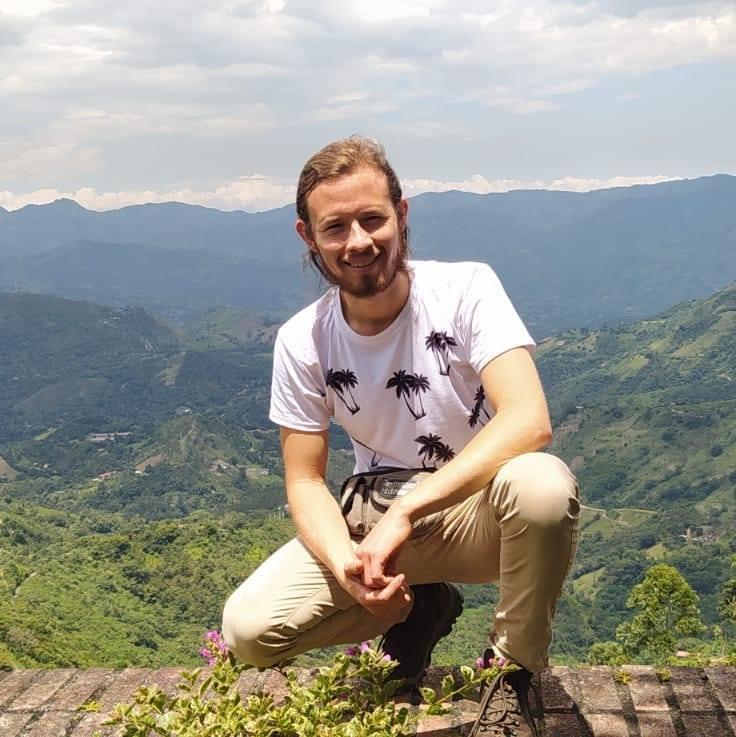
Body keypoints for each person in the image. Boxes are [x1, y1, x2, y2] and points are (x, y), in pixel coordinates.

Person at [222, 136, 580, 737]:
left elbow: (528, 419)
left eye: (372, 219)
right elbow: (304, 480)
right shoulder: (302, 340)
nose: (358, 241)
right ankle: (421, 609)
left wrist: (408, 512)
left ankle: (511, 676)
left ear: (402, 214)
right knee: (248, 633)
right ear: (308, 237)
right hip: (375, 522)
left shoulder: (466, 289)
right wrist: (349, 568)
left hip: (477, 512)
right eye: (335, 227)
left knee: (542, 486)